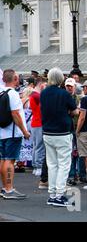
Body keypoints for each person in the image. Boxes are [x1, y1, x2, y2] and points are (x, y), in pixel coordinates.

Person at [40, 68, 78, 206]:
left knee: (52, 164)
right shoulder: (64, 94)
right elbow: (74, 111)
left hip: (48, 131)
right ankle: (59, 194)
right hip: (62, 131)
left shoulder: (43, 93)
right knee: (64, 164)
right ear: (61, 79)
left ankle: (52, 193)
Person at [0, 69, 30, 199]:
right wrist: (24, 131)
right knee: (10, 160)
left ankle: (5, 187)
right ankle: (8, 189)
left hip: (3, 131)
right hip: (12, 132)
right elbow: (16, 114)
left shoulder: (1, 92)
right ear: (15, 79)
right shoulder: (13, 94)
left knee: (3, 159)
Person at [30, 78, 46, 177]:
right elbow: (41, 110)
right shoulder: (37, 96)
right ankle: (39, 166)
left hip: (35, 123)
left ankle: (36, 166)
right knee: (39, 146)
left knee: (36, 145)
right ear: (40, 84)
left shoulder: (33, 95)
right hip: (39, 123)